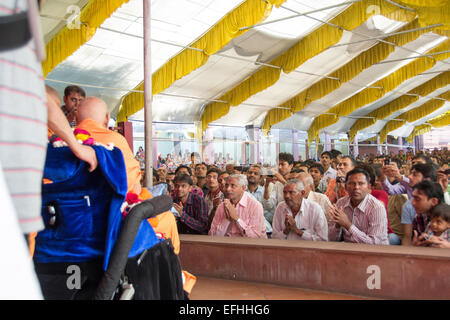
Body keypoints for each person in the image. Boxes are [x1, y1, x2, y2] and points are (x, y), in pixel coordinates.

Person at [76, 97, 141, 194]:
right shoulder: (116, 140)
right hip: (115, 206)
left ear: (75, 119)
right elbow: (132, 185)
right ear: (107, 118)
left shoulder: (63, 140)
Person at [328, 168, 389, 245]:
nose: (356, 187)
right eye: (352, 183)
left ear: (369, 187)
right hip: (347, 249)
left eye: (361, 183)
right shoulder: (341, 203)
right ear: (346, 186)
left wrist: (348, 225)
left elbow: (375, 244)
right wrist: (337, 226)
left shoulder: (376, 207)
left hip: (373, 253)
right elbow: (330, 239)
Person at [400, 163, 438, 245]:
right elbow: (407, 236)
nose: (409, 177)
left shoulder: (444, 213)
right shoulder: (418, 217)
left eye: (415, 175)